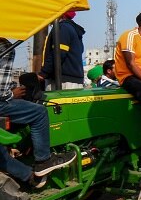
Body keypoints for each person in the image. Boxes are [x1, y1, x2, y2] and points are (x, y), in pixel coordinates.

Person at [0, 38, 76, 189]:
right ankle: (43, 160)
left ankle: (28, 175)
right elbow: (2, 92)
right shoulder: (4, 46)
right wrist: (11, 94)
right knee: (39, 112)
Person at [39, 11, 85, 90]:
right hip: (71, 81)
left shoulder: (62, 28)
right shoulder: (72, 29)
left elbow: (58, 53)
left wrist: (43, 73)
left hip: (62, 82)